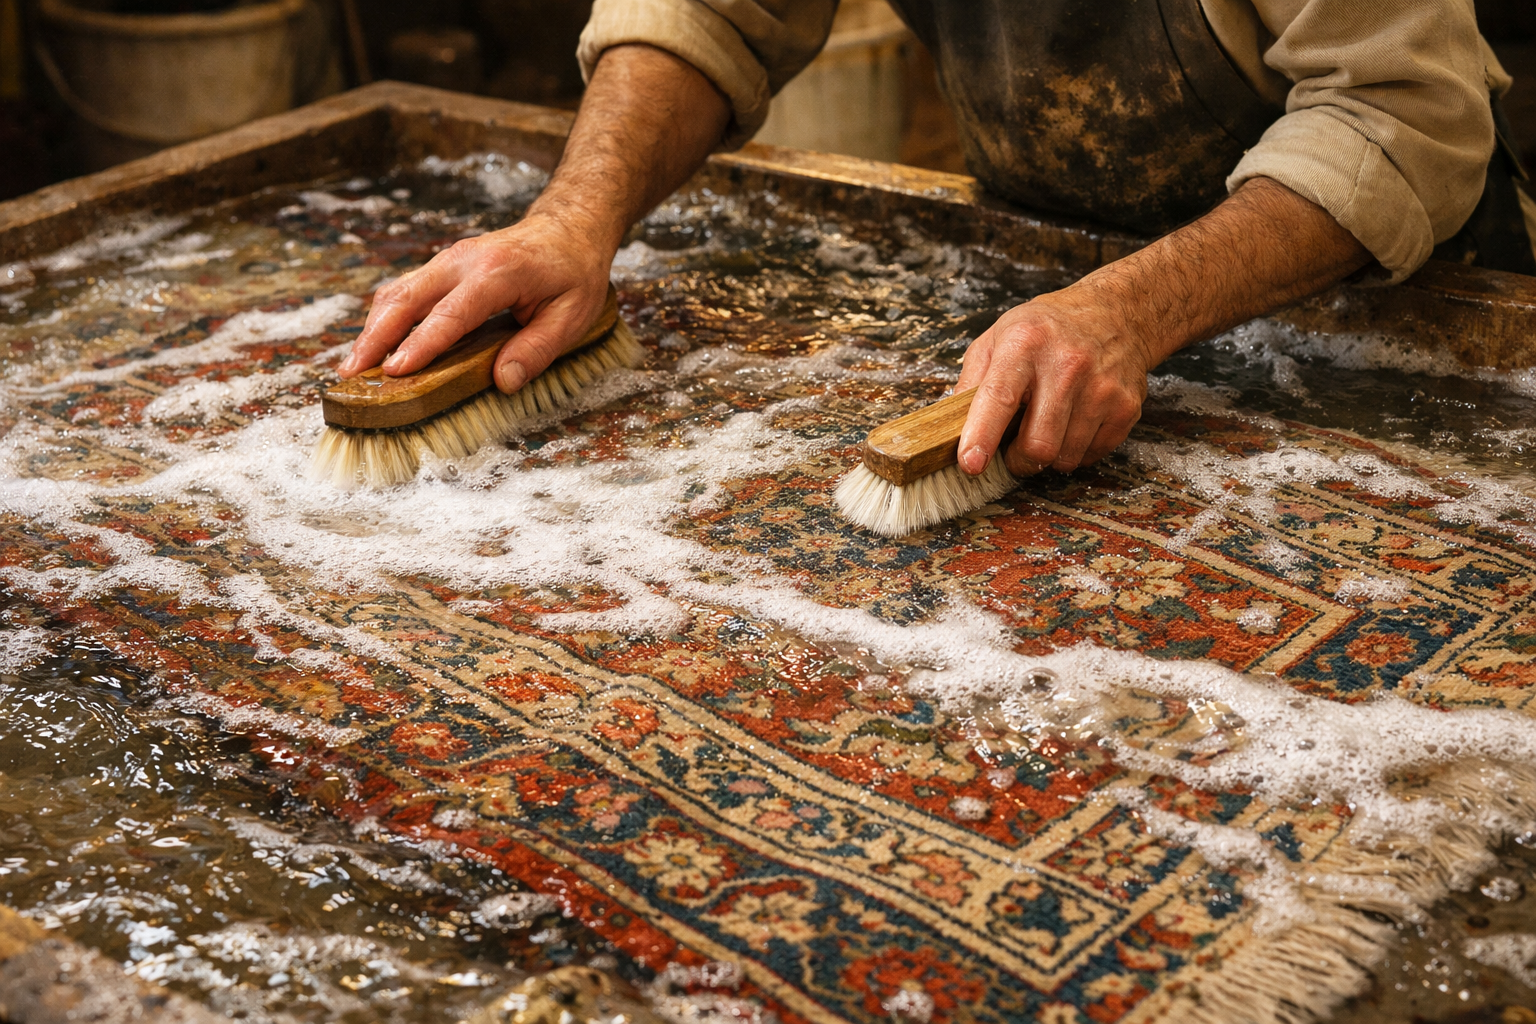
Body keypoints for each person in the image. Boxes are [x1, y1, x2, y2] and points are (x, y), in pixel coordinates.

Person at [337, 0, 1536, 479]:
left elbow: (1399, 110)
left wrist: (1133, 307)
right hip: (1050, 277)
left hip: (1392, 329)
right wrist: (573, 219)